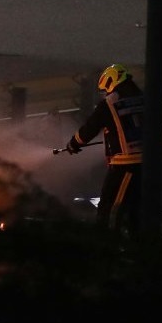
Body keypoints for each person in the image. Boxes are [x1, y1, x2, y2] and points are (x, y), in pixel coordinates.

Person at [65, 64, 144, 237]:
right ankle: (138, 242)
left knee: (110, 206)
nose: (105, 93)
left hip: (125, 164)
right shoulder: (142, 97)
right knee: (136, 208)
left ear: (111, 82)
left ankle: (107, 241)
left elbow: (91, 127)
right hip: (147, 163)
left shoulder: (110, 103)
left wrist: (74, 144)